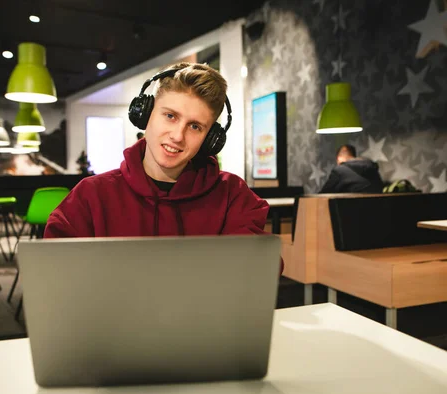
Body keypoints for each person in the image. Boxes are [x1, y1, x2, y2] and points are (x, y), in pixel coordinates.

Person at [44, 62, 282, 273]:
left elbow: (260, 269)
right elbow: (53, 271)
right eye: (170, 116)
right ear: (145, 115)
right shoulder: (91, 195)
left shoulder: (232, 195)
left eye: (195, 127)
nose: (178, 136)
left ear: (211, 140)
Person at [319, 144, 384, 194]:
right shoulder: (372, 169)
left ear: (339, 158)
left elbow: (323, 194)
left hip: (351, 210)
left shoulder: (339, 171)